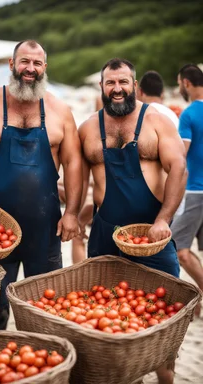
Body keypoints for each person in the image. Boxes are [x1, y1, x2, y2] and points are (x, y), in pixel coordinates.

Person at [0, 40, 82, 330]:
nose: (30, 69)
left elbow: (74, 164)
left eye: (36, 63)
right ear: (12, 65)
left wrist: (72, 212)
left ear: (44, 68)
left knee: (45, 309)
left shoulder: (60, 111)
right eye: (24, 62)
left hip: (45, 228)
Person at [79, 58, 187, 384]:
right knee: (106, 320)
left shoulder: (156, 121)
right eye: (110, 83)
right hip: (104, 236)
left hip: (153, 235)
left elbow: (178, 169)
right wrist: (78, 211)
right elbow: (80, 178)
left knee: (163, 323)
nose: (117, 89)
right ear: (101, 87)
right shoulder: (87, 128)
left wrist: (164, 219)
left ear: (135, 85)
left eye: (123, 82)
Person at [171, 64, 203, 303]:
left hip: (194, 190)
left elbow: (181, 155)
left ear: (186, 84)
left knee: (179, 249)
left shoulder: (190, 114)